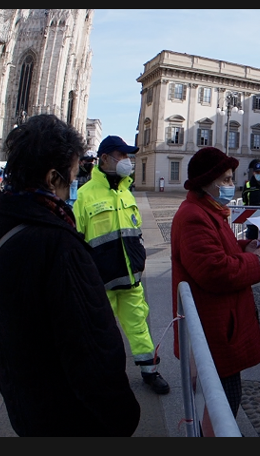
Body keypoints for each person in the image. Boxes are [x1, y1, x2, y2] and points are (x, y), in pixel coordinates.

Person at [0, 114, 140, 436]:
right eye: (73, 175)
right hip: (72, 420)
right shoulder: (60, 246)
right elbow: (95, 352)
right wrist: (123, 418)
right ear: (51, 178)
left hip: (26, 412)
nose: (73, 183)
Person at [170, 147, 260, 418]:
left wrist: (244, 246)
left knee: (225, 398)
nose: (232, 185)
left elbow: (219, 249)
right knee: (222, 405)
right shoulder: (194, 216)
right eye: (226, 180)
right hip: (214, 327)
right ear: (207, 182)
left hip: (220, 323)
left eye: (231, 178)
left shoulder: (210, 210)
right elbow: (215, 271)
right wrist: (255, 259)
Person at [73, 135, 170, 395]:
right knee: (99, 334)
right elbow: (76, 242)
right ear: (105, 158)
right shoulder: (84, 196)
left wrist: (138, 260)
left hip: (129, 277)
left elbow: (134, 231)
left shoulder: (127, 192)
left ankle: (150, 370)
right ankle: (101, 378)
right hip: (101, 282)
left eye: (128, 156)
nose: (127, 160)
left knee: (139, 325)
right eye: (122, 155)